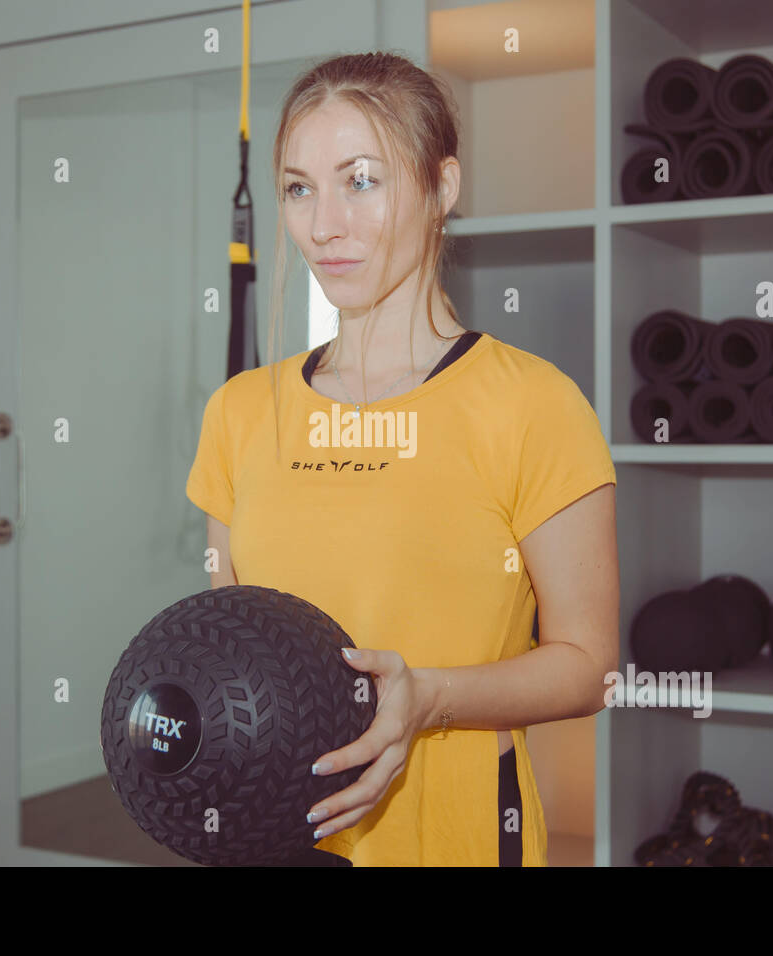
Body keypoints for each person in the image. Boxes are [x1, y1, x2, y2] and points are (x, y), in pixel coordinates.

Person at [185, 51, 618, 866]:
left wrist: (431, 697)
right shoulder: (241, 412)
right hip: (275, 831)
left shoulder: (533, 404)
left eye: (362, 180)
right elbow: (235, 652)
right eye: (299, 188)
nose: (324, 225)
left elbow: (589, 667)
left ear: (442, 187)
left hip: (450, 836)